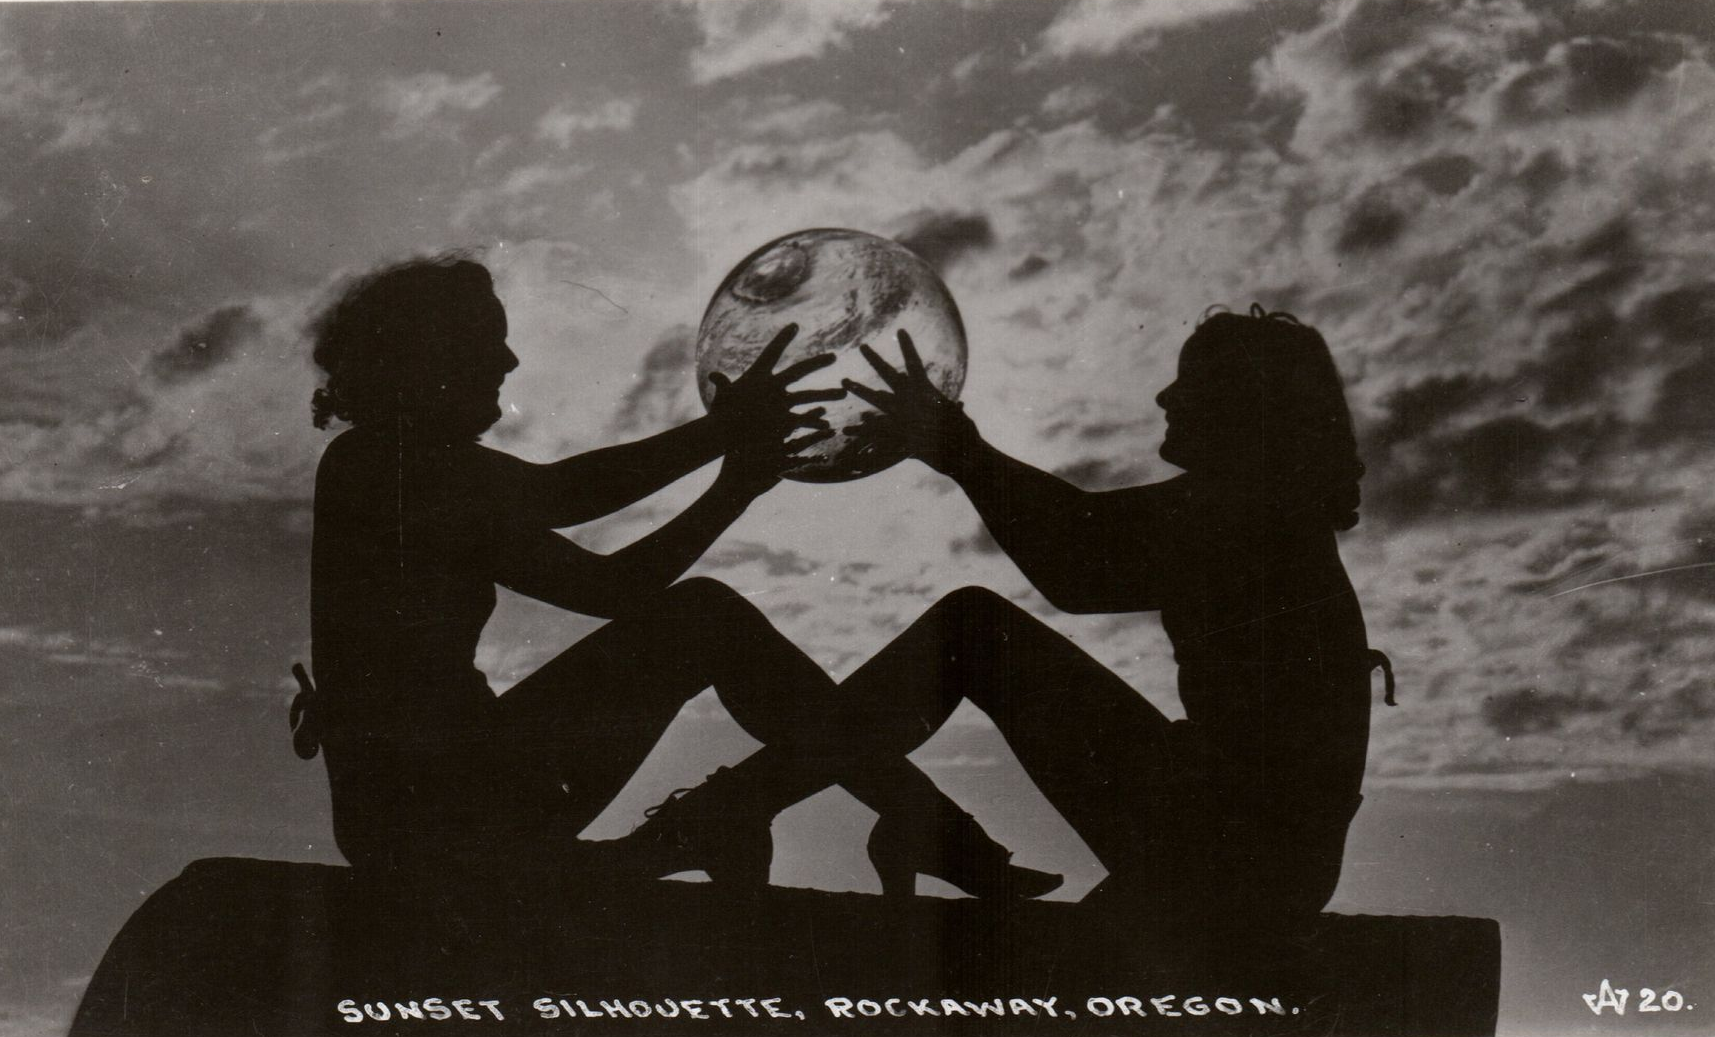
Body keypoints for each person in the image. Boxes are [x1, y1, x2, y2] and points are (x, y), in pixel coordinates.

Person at [298, 254, 1060, 898]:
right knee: (704, 618)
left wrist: (734, 478)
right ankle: (907, 828)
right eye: (484, 343)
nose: (508, 362)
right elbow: (567, 501)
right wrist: (727, 442)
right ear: (424, 356)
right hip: (437, 810)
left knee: (701, 617)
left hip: (440, 807)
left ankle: (739, 832)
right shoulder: (378, 464)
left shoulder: (405, 472)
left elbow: (607, 585)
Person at [838, 306, 1388, 928]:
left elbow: (1077, 559)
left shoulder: (1254, 510)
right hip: (1254, 854)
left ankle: (738, 809)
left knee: (974, 630)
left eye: (1192, 382)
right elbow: (1081, 554)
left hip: (1233, 851)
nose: (1167, 395)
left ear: (1244, 403)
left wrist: (960, 450)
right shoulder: (1275, 513)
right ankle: (753, 809)